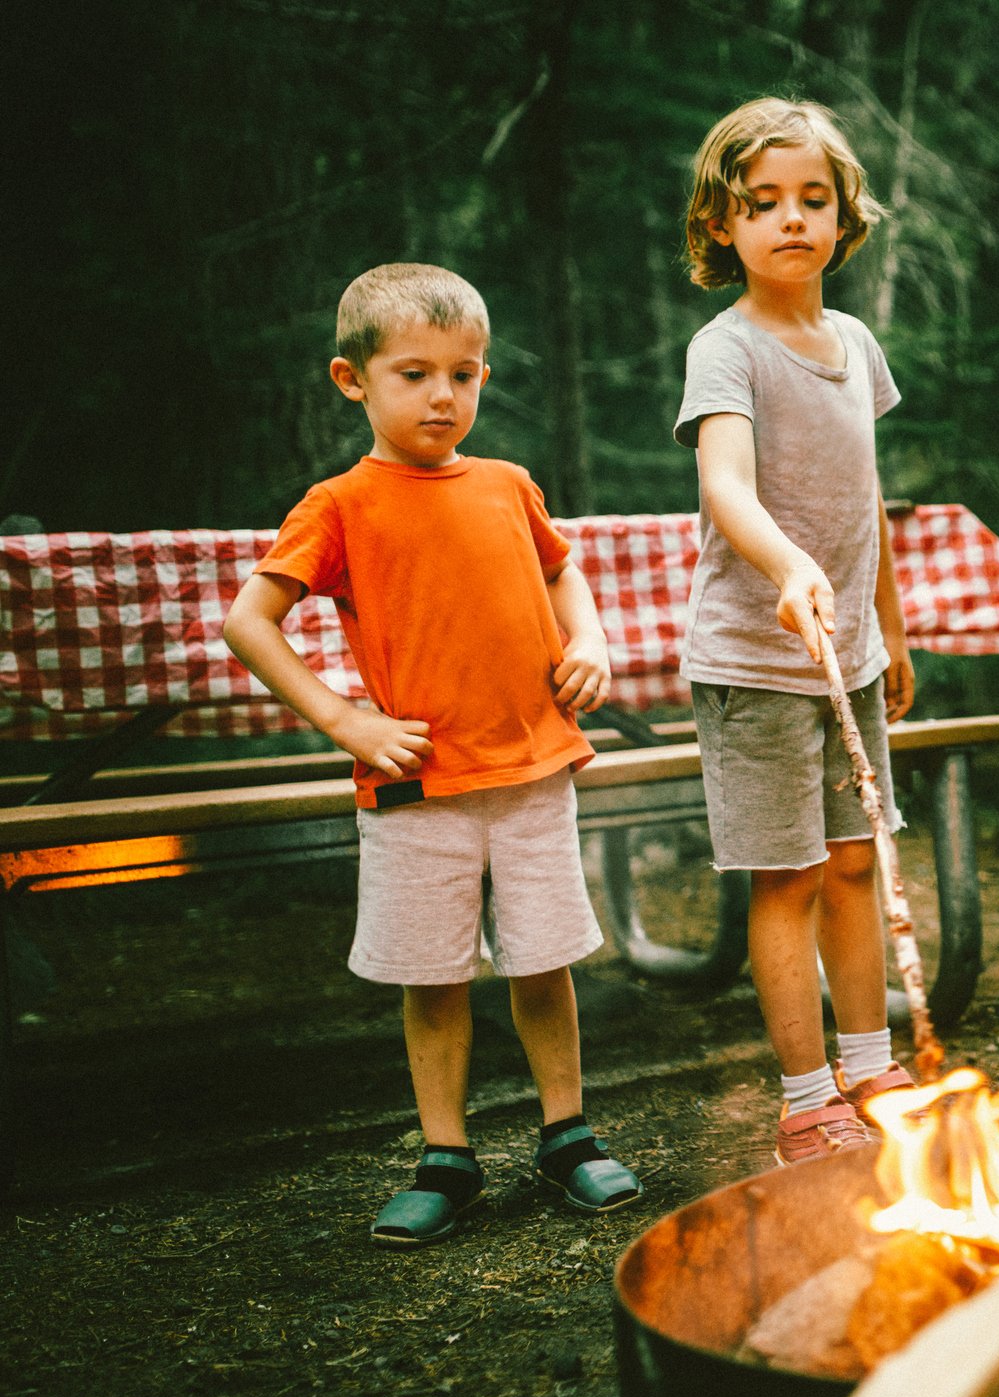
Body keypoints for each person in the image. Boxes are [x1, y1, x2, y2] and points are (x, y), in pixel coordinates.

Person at [223, 263, 642, 1247]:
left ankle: (566, 1133)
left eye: (464, 373)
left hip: (533, 770)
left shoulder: (507, 485)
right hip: (418, 786)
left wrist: (590, 641)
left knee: (544, 961)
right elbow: (250, 621)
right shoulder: (338, 504)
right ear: (351, 379)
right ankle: (445, 1156)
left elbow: (562, 572)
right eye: (414, 373)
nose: (443, 395)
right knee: (433, 973)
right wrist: (348, 721)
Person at [674, 98, 918, 1166]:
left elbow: (867, 498)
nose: (790, 220)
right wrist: (787, 566)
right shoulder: (724, 350)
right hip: (756, 664)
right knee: (790, 875)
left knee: (858, 865)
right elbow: (725, 483)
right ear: (721, 224)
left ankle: (873, 1066)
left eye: (811, 200)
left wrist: (889, 631)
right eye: (762, 202)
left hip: (848, 661)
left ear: (842, 215)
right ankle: (807, 1092)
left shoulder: (854, 343)